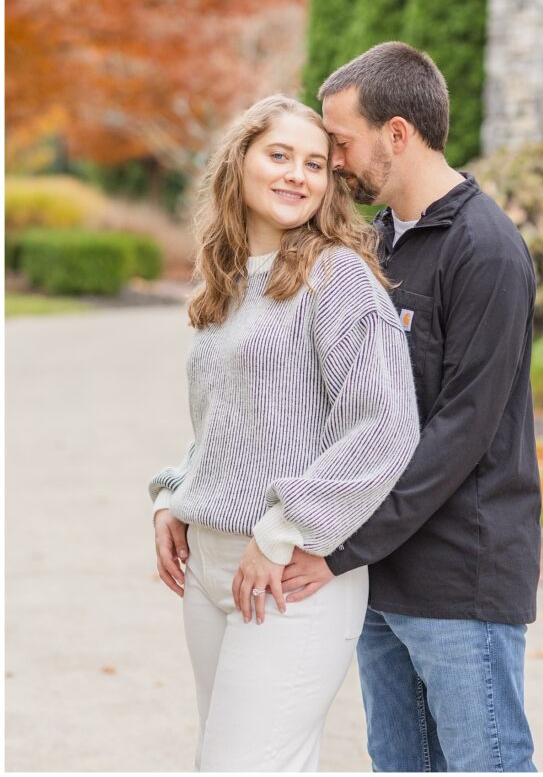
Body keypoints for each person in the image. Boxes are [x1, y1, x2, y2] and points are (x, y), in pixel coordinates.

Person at [280, 42, 541, 773]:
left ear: (397, 133)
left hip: (461, 580)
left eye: (340, 141)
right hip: (379, 577)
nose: (333, 161)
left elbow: (462, 430)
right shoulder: (374, 247)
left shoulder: (486, 249)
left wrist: (339, 547)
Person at [149, 94, 421, 773]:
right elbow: (235, 421)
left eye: (315, 164)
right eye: (279, 155)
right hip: (210, 566)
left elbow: (386, 425)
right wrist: (172, 495)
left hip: (288, 571)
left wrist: (282, 532)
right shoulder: (227, 281)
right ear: (239, 161)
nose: (298, 175)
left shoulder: (339, 277)